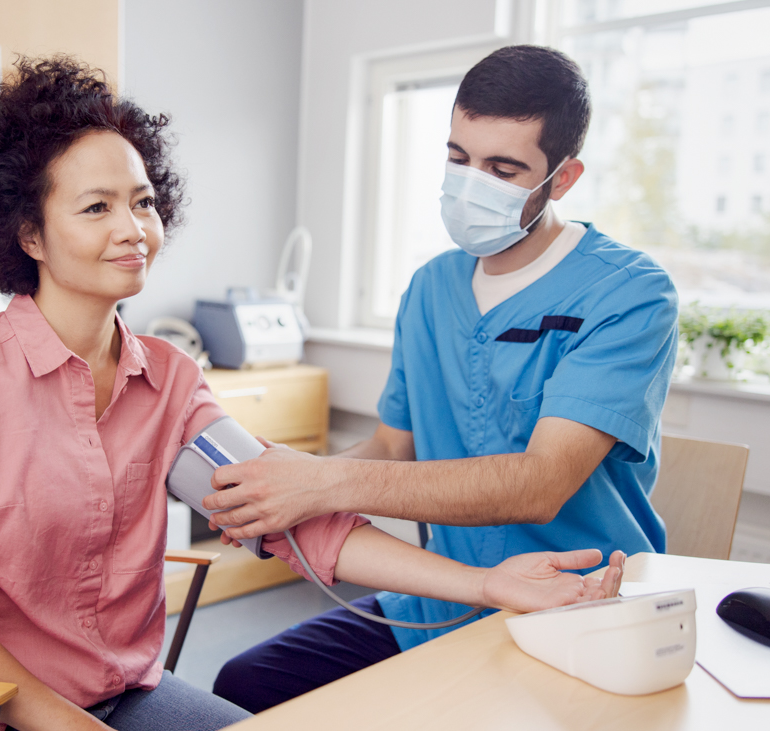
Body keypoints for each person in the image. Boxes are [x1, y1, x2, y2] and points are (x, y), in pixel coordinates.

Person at [0, 56, 624, 731]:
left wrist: (488, 582)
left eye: (142, 202)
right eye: (97, 207)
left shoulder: (168, 381)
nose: (134, 228)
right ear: (29, 235)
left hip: (120, 692)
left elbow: (292, 517)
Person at [207, 45, 679, 713]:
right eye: (459, 158)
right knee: (246, 685)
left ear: (563, 178)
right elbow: (391, 449)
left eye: (503, 168)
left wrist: (320, 482)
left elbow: (540, 484)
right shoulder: (431, 288)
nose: (470, 183)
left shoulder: (629, 294)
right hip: (450, 592)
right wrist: (279, 491)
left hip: (575, 606)